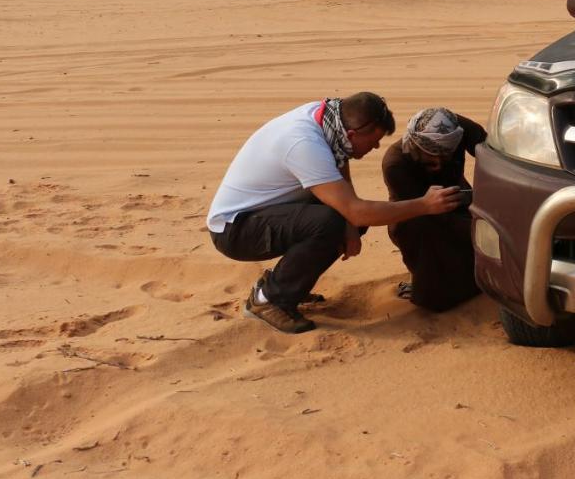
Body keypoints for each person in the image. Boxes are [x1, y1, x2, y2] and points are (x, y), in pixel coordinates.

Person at [207, 92, 461, 334]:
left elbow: (340, 166)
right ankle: (269, 299)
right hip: (234, 229)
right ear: (351, 133)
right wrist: (425, 205)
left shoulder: (328, 119)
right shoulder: (304, 144)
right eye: (373, 142)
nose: (375, 148)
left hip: (266, 212)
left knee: (343, 221)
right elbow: (357, 211)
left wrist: (350, 226)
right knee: (330, 222)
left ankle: (289, 284)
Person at [381, 107, 487, 312]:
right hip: (419, 216)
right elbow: (420, 215)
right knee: (415, 231)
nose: (438, 165)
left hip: (461, 202)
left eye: (445, 157)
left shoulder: (459, 128)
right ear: (414, 146)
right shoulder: (395, 164)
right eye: (430, 159)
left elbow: (492, 156)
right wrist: (479, 232)